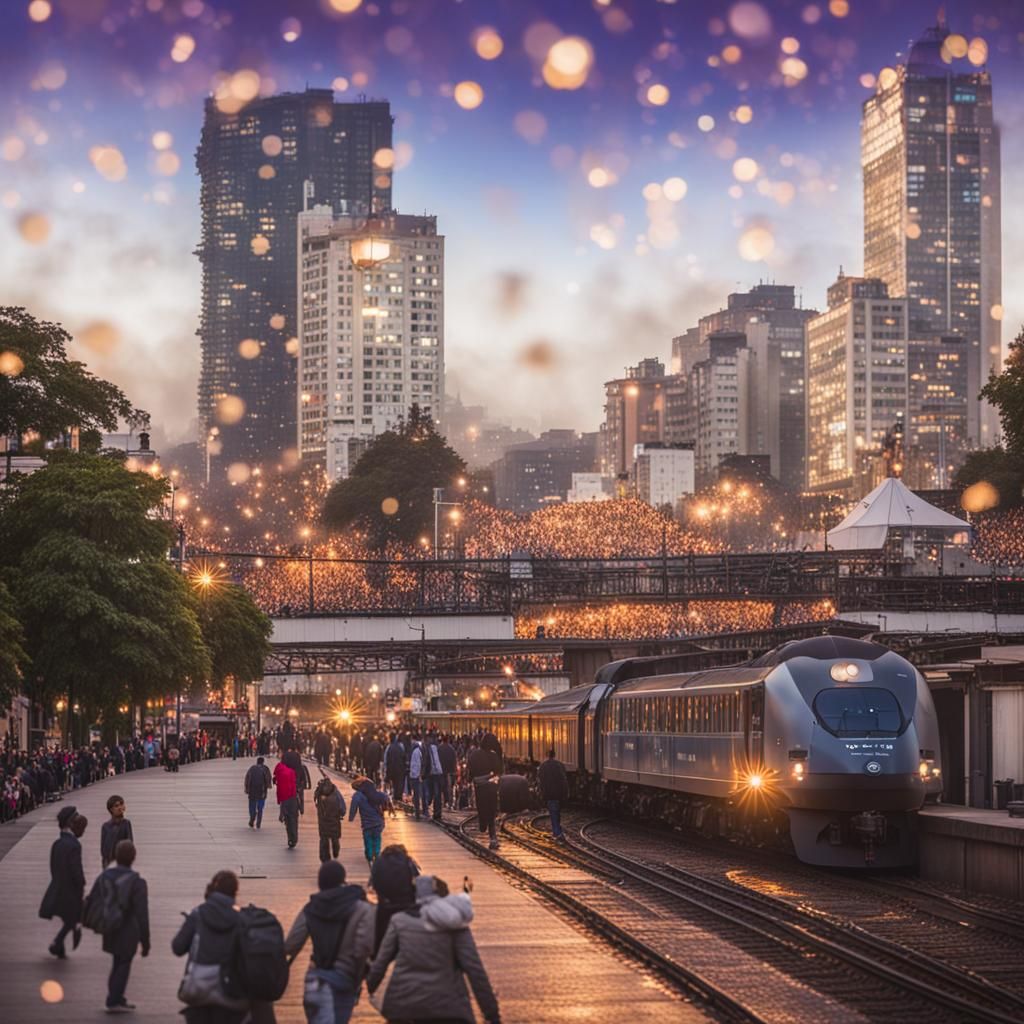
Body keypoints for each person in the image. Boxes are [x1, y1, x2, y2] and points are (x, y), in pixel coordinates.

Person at [366, 875, 500, 1024]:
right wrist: (491, 1013)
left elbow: (380, 963)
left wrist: (371, 987)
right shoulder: (454, 922)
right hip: (448, 1008)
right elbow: (474, 969)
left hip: (404, 1007)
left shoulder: (400, 920)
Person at [284, 860, 375, 1024]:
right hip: (345, 980)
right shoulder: (361, 908)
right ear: (343, 879)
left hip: (315, 980)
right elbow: (365, 948)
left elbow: (291, 944)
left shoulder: (312, 907)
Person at [171, 870, 249, 1023]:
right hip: (230, 989)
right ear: (235, 892)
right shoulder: (242, 919)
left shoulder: (198, 914)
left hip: (198, 987)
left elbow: (178, 947)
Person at [86, 839, 150, 1014]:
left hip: (110, 926)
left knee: (116, 961)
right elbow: (142, 915)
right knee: (123, 963)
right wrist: (145, 941)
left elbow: (92, 899)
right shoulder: (137, 882)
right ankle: (113, 1000)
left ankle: (116, 996)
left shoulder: (105, 876)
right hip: (128, 929)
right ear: (133, 857)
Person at [39, 807, 87, 959]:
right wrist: (81, 884)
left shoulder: (58, 844)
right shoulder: (74, 845)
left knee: (69, 918)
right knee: (72, 917)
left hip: (59, 885)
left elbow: (53, 866)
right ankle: (58, 944)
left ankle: (59, 945)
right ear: (71, 823)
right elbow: (76, 869)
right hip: (71, 888)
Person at [368, 844, 419, 953]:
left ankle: (377, 954)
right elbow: (417, 881)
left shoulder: (378, 862)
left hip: (384, 905)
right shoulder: (408, 861)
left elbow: (373, 884)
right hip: (406, 906)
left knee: (380, 934)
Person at [467, 734, 502, 850]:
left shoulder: (474, 755)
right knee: (491, 812)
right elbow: (498, 771)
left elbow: (470, 771)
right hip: (491, 786)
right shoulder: (494, 756)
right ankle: (493, 837)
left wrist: (470, 779)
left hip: (480, 787)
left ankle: (482, 825)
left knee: (482, 808)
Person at [348, 776, 389, 871]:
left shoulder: (358, 795)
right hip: (378, 822)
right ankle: (377, 853)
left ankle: (370, 856)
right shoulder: (378, 794)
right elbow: (386, 801)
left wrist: (351, 818)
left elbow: (353, 807)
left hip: (366, 823)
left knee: (368, 839)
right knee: (377, 837)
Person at [538, 749, 570, 841]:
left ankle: (557, 833)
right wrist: (566, 793)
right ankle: (558, 831)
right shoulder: (560, 765)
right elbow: (564, 780)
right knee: (557, 813)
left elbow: (541, 782)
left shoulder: (543, 766)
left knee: (553, 813)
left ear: (547, 755)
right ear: (554, 755)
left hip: (549, 794)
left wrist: (542, 793)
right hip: (559, 793)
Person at [314, 774, 346, 863]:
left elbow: (316, 802)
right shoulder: (336, 793)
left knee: (323, 838)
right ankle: (336, 851)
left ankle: (324, 857)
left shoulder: (319, 794)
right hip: (334, 820)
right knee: (335, 837)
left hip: (323, 821)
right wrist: (341, 814)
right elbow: (342, 806)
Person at [101, 794, 134, 868]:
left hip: (122, 862)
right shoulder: (106, 826)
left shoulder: (126, 823)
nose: (120, 807)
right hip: (110, 862)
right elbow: (104, 849)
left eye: (121, 804)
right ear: (111, 809)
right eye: (116, 806)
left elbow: (129, 842)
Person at [273, 757, 299, 849]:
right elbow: (293, 785)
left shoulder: (279, 773)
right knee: (293, 819)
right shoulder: (291, 772)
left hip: (284, 799)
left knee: (287, 821)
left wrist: (279, 801)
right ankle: (294, 838)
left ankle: (290, 839)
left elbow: (279, 789)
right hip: (292, 798)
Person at [245, 756, 273, 829]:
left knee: (252, 806)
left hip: (252, 791)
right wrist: (269, 785)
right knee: (260, 807)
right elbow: (268, 779)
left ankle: (252, 817)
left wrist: (247, 789)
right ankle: (258, 822)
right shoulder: (265, 769)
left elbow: (247, 778)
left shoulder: (252, 768)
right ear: (263, 762)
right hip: (262, 791)